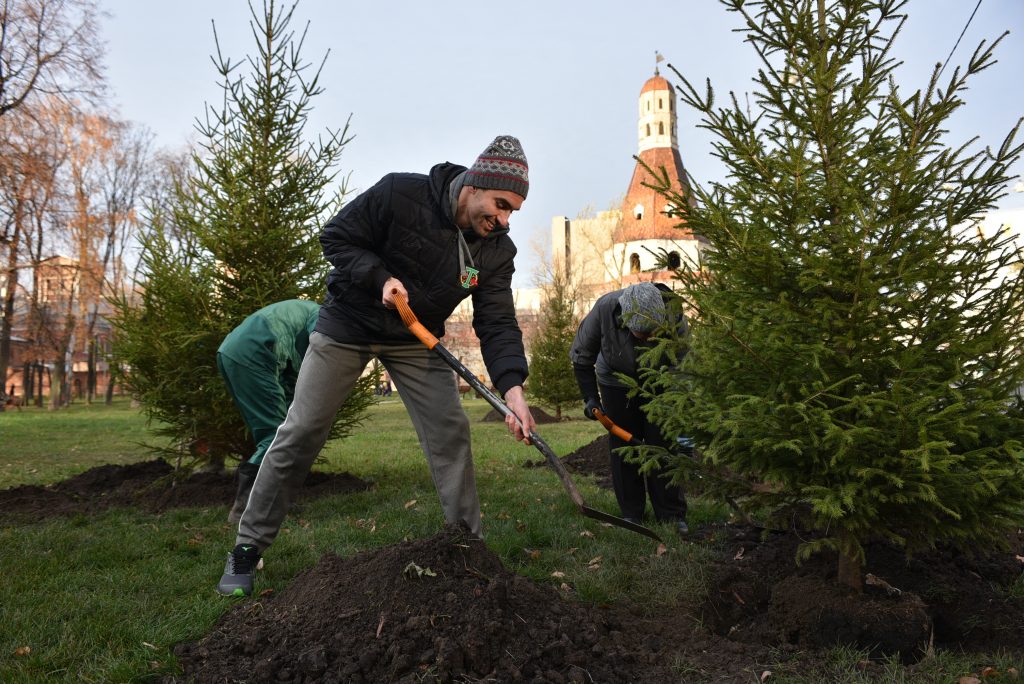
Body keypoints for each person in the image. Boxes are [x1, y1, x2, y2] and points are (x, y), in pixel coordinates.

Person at [218, 135, 537, 596]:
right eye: (500, 204)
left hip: (416, 338)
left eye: (513, 212)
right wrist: (380, 279)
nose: (504, 220)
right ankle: (247, 548)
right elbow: (337, 237)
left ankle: (468, 548)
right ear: (473, 185)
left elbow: (498, 322)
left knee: (451, 434)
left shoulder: (495, 250)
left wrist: (514, 392)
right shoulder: (399, 194)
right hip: (348, 323)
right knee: (301, 429)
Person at [569, 281, 689, 536]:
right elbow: (581, 357)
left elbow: (683, 363)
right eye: (640, 334)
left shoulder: (674, 314)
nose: (646, 339)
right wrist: (590, 398)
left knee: (663, 445)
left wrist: (680, 405)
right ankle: (632, 514)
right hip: (615, 381)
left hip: (661, 381)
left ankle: (671, 514)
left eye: (651, 333)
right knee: (624, 446)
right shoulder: (605, 309)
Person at [216, 299, 320, 524]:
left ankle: (267, 503)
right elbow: (313, 358)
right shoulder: (324, 319)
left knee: (276, 428)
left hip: (231, 351)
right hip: (256, 348)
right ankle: (247, 509)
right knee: (276, 435)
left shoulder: (310, 310)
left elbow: (293, 372)